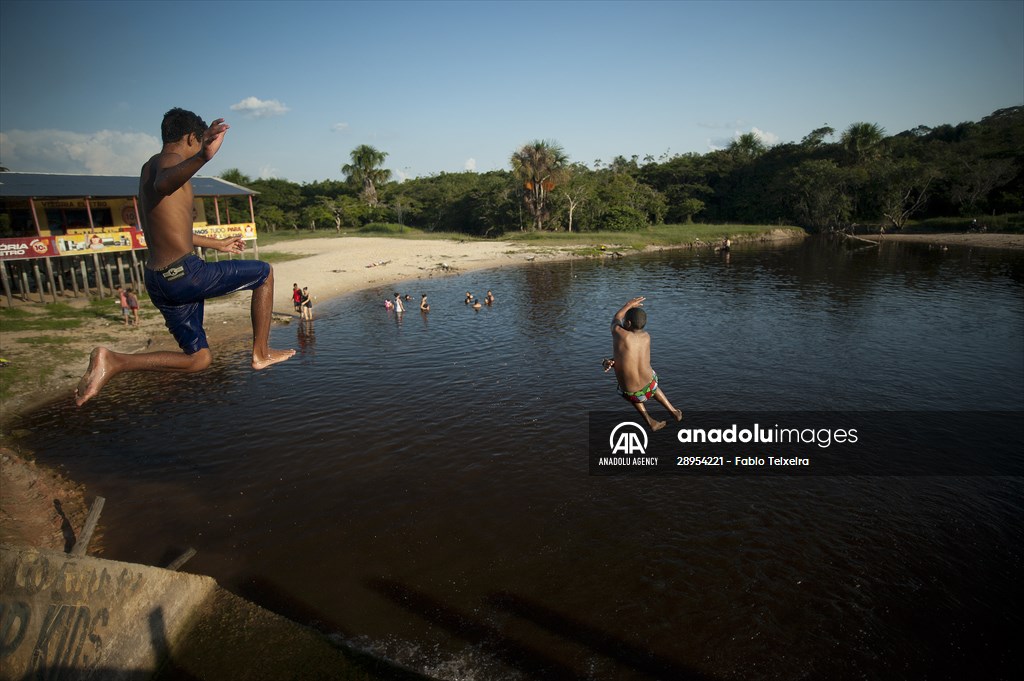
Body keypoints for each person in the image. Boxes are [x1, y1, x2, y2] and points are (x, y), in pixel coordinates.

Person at [74, 108, 294, 406]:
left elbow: (172, 230)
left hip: (158, 279)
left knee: (199, 359)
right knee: (263, 273)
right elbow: (164, 182)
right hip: (183, 274)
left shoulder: (148, 166)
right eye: (200, 140)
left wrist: (216, 244)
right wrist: (203, 157)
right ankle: (261, 353)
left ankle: (113, 362)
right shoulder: (170, 162)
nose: (202, 146)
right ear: (192, 137)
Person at [606, 296, 682, 431]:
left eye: (624, 322)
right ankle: (672, 410)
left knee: (630, 390)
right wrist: (614, 360)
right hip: (652, 386)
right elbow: (632, 356)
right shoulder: (647, 337)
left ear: (628, 324)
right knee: (649, 378)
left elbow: (615, 319)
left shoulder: (621, 334)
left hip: (633, 395)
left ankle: (650, 421)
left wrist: (628, 304)